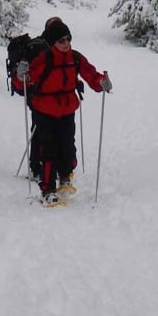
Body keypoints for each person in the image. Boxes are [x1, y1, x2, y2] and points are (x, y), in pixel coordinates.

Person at [18, 16, 111, 205]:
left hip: (67, 109)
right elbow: (25, 81)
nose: (66, 43)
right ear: (53, 42)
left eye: (68, 39)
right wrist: (20, 75)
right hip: (45, 110)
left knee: (68, 146)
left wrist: (101, 82)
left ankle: (65, 176)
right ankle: (47, 190)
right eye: (61, 40)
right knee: (49, 149)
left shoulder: (75, 58)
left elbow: (90, 74)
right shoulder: (43, 59)